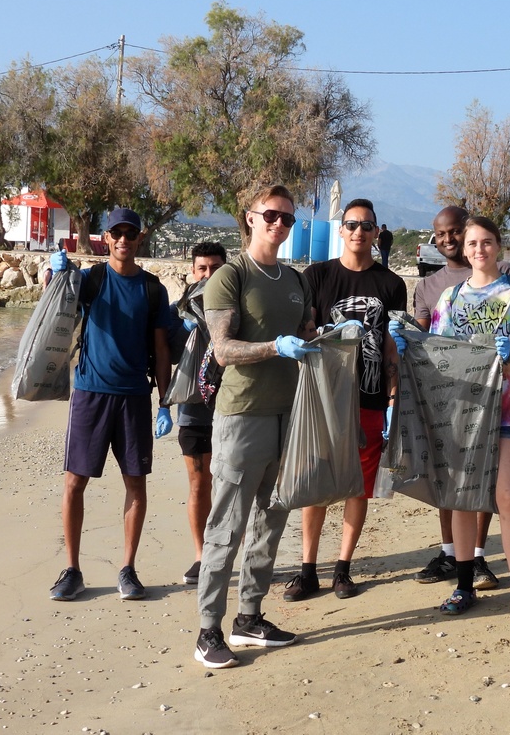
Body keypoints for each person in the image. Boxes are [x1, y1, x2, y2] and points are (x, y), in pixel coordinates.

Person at [393, 216, 510, 627]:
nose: (479, 249)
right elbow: (438, 352)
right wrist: (405, 344)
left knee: (509, 499)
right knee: (461, 497)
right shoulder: (449, 298)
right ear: (463, 250)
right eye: (472, 243)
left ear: (500, 246)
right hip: (459, 409)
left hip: (506, 409)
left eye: (486, 242)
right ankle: (463, 586)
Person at [194, 185, 318, 669]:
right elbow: (223, 350)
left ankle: (249, 617)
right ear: (250, 218)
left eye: (288, 219)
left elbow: (306, 334)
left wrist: (327, 338)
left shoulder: (295, 278)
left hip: (289, 414)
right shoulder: (229, 276)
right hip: (241, 415)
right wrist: (273, 348)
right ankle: (208, 630)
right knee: (226, 524)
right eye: (271, 215)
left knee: (271, 518)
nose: (280, 225)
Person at [283, 198, 407, 602]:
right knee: (316, 482)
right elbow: (305, 331)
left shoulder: (391, 285)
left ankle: (343, 568)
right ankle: (306, 570)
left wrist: (392, 400)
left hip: (369, 398)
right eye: (351, 224)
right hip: (323, 398)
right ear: (340, 230)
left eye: (366, 226)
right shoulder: (316, 276)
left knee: (359, 485)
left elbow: (391, 348)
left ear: (376, 233)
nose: (358, 232)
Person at [46, 207, 173, 602]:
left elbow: (162, 349)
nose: (123, 239)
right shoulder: (91, 279)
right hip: (90, 392)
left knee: (135, 482)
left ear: (139, 238)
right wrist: (53, 275)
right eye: (116, 232)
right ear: (106, 237)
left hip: (135, 397)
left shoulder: (153, 289)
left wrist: (165, 402)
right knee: (74, 482)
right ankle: (72, 570)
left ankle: (128, 569)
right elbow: (55, 305)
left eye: (129, 233)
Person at [410, 205, 510, 591]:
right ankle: (451, 553)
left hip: (497, 399)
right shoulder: (428, 287)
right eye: (441, 235)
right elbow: (425, 345)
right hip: (449, 399)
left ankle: (479, 554)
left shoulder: (504, 277)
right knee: (450, 479)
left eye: (457, 232)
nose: (450, 240)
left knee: (488, 481)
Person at [168, 242, 227, 585]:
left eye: (216, 268)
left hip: (233, 409)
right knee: (198, 483)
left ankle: (227, 552)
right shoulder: (180, 311)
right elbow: (169, 354)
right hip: (193, 410)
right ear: (192, 271)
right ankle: (201, 556)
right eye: (202, 268)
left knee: (232, 484)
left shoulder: (238, 303)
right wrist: (184, 331)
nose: (208, 275)